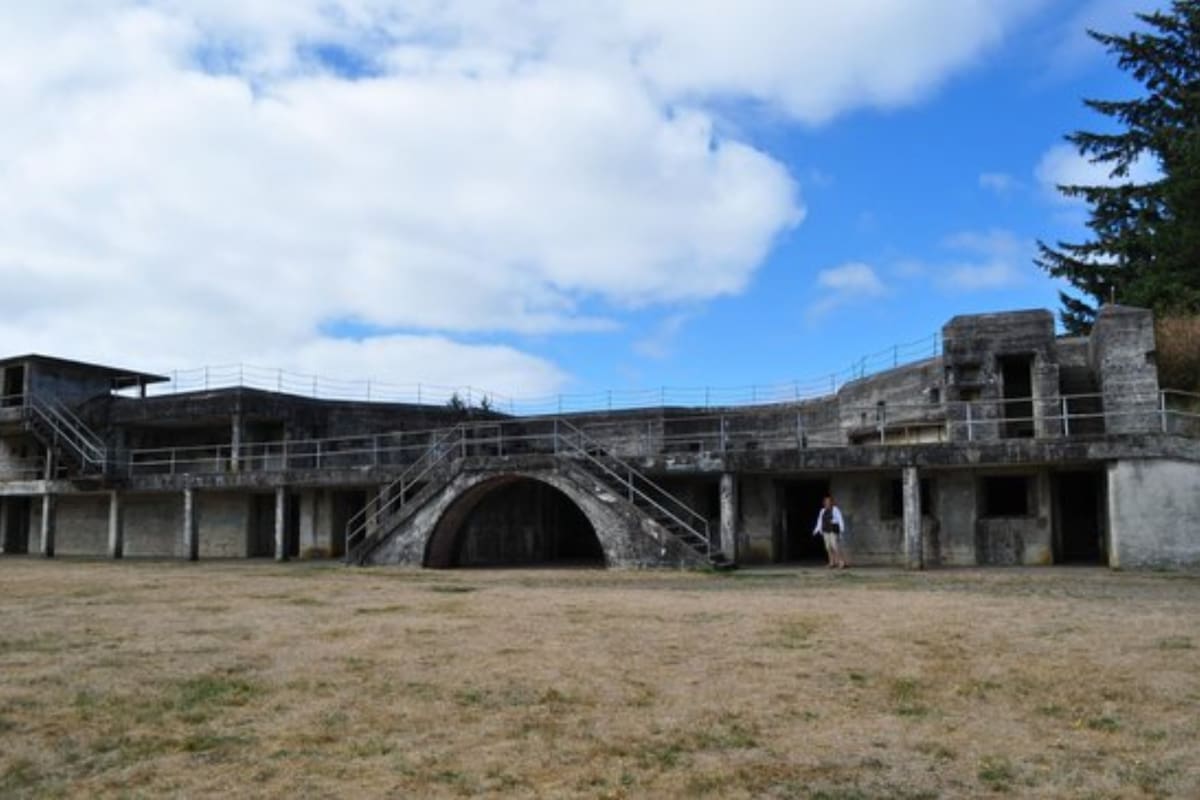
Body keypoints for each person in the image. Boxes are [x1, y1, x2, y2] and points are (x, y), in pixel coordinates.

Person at [812, 495, 848, 569]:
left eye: (829, 501)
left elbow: (840, 519)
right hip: (825, 530)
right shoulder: (822, 511)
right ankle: (831, 562)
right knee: (828, 547)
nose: (827, 503)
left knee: (834, 546)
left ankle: (841, 562)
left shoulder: (835, 509)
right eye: (826, 502)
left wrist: (841, 529)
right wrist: (816, 530)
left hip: (832, 530)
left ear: (831, 502)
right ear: (824, 503)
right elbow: (819, 521)